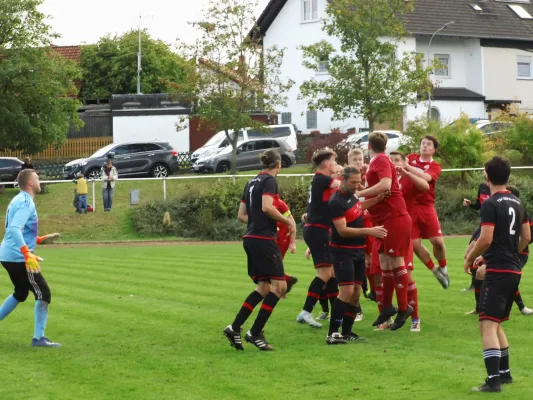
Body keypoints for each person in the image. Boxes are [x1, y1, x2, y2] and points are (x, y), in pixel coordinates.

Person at [464, 156, 530, 392]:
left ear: (486, 177)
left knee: (488, 325)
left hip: (498, 271)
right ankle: (505, 374)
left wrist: (471, 257)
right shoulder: (518, 203)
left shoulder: (490, 204)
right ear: (508, 177)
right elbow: (526, 237)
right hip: (513, 269)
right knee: (497, 323)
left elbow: (486, 238)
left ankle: (493, 382)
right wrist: (512, 253)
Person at [223, 149, 296, 351]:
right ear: (278, 165)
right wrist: (286, 222)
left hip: (250, 238)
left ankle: (234, 327)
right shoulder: (270, 181)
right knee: (280, 287)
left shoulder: (251, 182)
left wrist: (259, 222)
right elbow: (266, 207)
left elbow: (241, 215)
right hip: (264, 239)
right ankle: (255, 333)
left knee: (264, 288)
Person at [356, 132, 413, 331]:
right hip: (383, 218)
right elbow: (380, 186)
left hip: (394, 216)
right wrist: (363, 187)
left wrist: (359, 194)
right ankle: (388, 306)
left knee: (396, 261)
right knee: (384, 263)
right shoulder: (378, 161)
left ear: (369, 145)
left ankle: (404, 308)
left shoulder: (379, 160)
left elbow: (386, 185)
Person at [0, 169, 61, 347]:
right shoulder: (27, 203)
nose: (39, 181)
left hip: (8, 254)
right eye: (37, 179)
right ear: (30, 183)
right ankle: (39, 338)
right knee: (44, 293)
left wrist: (39, 239)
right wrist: (27, 253)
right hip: (17, 257)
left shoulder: (19, 199)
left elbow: (18, 229)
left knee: (20, 292)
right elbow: (13, 229)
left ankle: (39, 338)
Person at [326, 167, 387, 344]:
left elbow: (358, 208)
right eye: (353, 182)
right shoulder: (335, 201)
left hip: (358, 250)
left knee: (356, 292)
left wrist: (377, 199)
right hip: (342, 251)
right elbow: (343, 230)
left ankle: (346, 332)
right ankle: (332, 333)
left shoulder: (352, 196)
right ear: (342, 180)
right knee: (346, 290)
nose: (356, 185)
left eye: (358, 181)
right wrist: (370, 231)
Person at [296, 149, 341, 328]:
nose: (336, 165)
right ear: (327, 164)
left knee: (330, 273)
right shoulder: (322, 178)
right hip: (318, 230)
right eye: (334, 161)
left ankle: (335, 311)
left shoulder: (319, 180)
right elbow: (343, 186)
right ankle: (306, 312)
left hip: (317, 229)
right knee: (324, 273)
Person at [390, 151, 430, 332]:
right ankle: (389, 316)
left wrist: (406, 172)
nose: (393, 163)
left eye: (397, 160)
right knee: (384, 276)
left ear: (405, 162)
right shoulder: (385, 179)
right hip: (385, 232)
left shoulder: (407, 178)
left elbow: (425, 186)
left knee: (406, 275)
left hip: (404, 233)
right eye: (391, 160)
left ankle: (415, 318)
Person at [405, 136, 449, 289]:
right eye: (422, 143)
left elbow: (425, 177)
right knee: (414, 244)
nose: (424, 146)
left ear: (433, 149)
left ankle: (444, 268)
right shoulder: (410, 158)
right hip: (409, 206)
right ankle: (434, 269)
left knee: (437, 241)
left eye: (428, 144)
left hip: (426, 205)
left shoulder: (435, 166)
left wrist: (407, 167)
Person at [462, 182, 491, 295]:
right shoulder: (483, 186)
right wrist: (470, 204)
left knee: (472, 254)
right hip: (482, 225)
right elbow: (479, 205)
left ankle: (480, 284)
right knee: (469, 254)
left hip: (490, 226)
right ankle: (476, 284)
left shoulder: (499, 187)